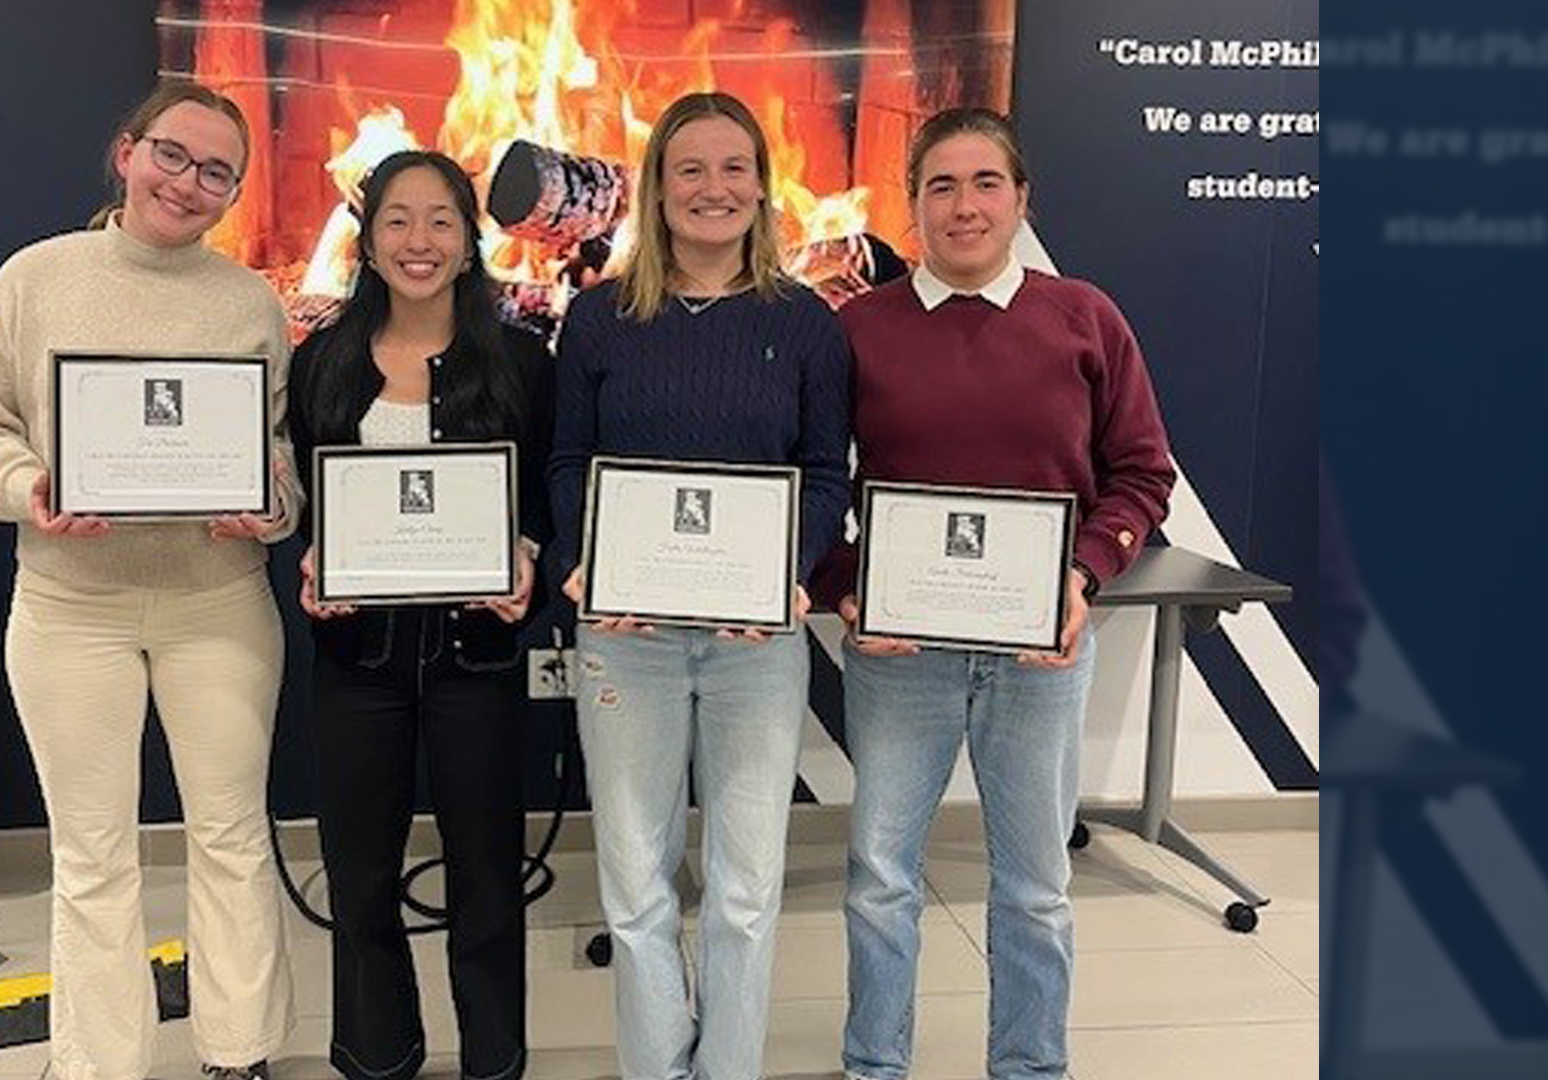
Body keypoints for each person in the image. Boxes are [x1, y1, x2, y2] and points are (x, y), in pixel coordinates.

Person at [0, 81, 302, 1080]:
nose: (190, 183)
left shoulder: (251, 303)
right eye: (174, 156)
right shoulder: (35, 279)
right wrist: (32, 486)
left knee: (230, 835)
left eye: (217, 171)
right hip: (70, 609)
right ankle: (101, 1064)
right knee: (92, 852)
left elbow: (277, 461)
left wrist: (270, 509)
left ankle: (241, 1052)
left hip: (218, 604)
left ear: (232, 193)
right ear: (128, 152)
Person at [819, 106, 1175, 1080]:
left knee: (1034, 889)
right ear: (912, 207)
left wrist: (1084, 573)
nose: (964, 206)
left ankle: (1029, 1068)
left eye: (985, 184)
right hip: (901, 660)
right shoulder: (857, 329)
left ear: (1021, 198)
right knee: (880, 883)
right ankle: (873, 1066)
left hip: (1040, 653)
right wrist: (844, 587)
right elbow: (808, 479)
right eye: (941, 185)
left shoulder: (1086, 317)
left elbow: (1142, 474)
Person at [545, 92, 851, 1080]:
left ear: (760, 184)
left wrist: (790, 571)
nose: (713, 189)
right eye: (691, 169)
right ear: (656, 187)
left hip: (754, 645)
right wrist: (582, 562)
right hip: (625, 635)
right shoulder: (597, 318)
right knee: (635, 885)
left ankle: (727, 1069)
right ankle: (653, 1067)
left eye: (733, 168)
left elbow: (826, 470)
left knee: (745, 887)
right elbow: (565, 463)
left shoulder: (806, 324)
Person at [288, 149, 552, 1080]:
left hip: (475, 655)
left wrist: (525, 560)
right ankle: (377, 1054)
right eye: (397, 219)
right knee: (359, 877)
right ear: (368, 239)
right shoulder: (321, 358)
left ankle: (493, 1058)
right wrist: (312, 563)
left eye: (441, 219)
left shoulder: (519, 359)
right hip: (357, 658)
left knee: (486, 877)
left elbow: (544, 506)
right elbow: (310, 507)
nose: (419, 241)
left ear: (470, 239)